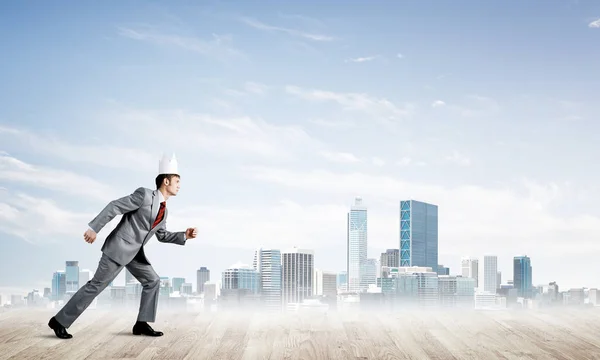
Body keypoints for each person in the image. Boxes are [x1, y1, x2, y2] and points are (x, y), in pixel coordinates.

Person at [48, 153, 197, 339]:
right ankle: (59, 321)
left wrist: (185, 235)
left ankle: (141, 323)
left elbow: (162, 235)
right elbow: (115, 206)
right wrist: (94, 228)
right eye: (177, 180)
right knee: (96, 285)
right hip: (118, 249)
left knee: (153, 281)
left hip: (135, 253)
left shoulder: (164, 212)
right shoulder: (144, 195)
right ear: (166, 181)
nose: (179, 185)